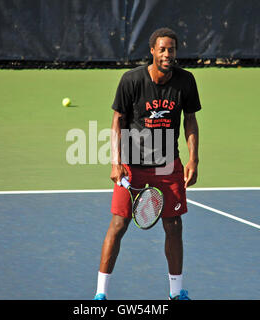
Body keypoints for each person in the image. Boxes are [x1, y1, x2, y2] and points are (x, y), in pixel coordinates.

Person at [94, 27, 201, 300]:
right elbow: (117, 120)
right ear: (152, 51)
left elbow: (190, 121)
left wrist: (193, 160)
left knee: (174, 226)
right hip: (132, 166)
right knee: (118, 225)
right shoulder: (131, 80)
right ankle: (100, 294)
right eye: (162, 49)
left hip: (168, 166)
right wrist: (115, 162)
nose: (167, 54)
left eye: (172, 49)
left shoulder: (186, 81)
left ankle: (176, 293)